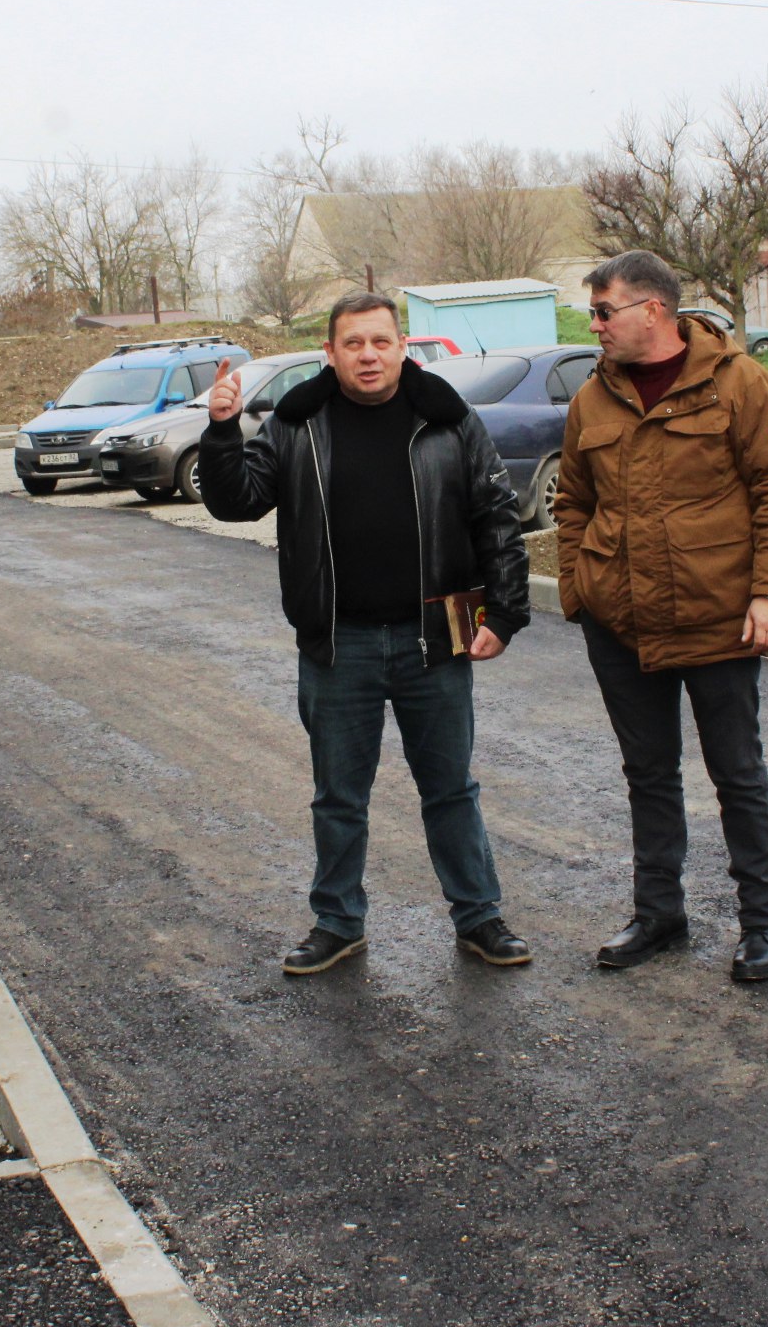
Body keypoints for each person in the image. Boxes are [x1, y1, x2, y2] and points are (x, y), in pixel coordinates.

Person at [198, 291, 534, 975]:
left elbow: (494, 512)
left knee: (450, 790)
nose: (368, 355)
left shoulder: (446, 417)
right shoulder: (297, 422)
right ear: (330, 353)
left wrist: (505, 612)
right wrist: (224, 429)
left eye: (380, 341)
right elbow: (237, 501)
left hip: (433, 638)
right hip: (336, 642)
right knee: (338, 797)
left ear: (401, 346)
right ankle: (337, 921)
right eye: (353, 344)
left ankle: (479, 917)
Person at [554, 251, 768, 983]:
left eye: (605, 312)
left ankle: (763, 923)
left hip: (717, 617)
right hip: (621, 621)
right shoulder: (592, 398)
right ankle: (658, 913)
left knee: (738, 774)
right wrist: (580, 589)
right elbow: (572, 502)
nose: (594, 325)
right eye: (593, 313)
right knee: (648, 773)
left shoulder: (740, 383)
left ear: (653, 312)